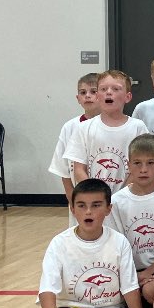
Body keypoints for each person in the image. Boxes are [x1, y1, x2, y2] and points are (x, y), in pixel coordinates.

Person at [38, 178, 154, 308]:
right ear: (72, 209)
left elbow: (130, 289)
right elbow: (47, 289)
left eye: (96, 205)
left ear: (108, 209)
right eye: (81, 206)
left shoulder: (119, 242)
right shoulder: (59, 243)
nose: (88, 212)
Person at [107, 134, 154, 308]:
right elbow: (116, 247)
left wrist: (149, 271)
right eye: (137, 163)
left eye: (150, 163)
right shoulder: (117, 201)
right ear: (128, 164)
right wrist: (132, 275)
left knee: (150, 290)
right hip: (129, 270)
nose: (143, 169)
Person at [68, 70, 150, 191]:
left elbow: (141, 167)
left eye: (116, 89)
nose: (109, 92)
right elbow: (79, 169)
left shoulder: (138, 127)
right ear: (97, 96)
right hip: (94, 197)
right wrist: (96, 195)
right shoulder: (83, 128)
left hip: (127, 196)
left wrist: (121, 196)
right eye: (103, 89)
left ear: (127, 97)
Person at [49, 72, 99, 212]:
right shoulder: (69, 127)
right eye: (83, 92)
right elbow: (63, 168)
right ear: (78, 98)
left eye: (93, 91)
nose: (87, 96)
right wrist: (71, 196)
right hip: (80, 194)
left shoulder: (111, 125)